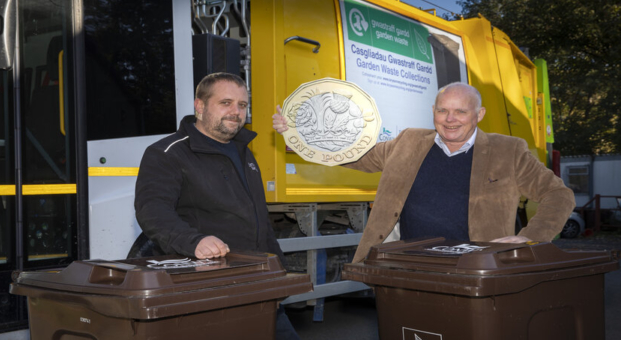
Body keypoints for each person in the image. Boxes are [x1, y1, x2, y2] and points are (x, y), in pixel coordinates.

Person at [273, 82, 575, 263]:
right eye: (442, 110)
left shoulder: (508, 150)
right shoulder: (407, 142)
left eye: (461, 111)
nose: (450, 119)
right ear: (434, 111)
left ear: (478, 114)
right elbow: (353, 154)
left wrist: (531, 237)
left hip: (475, 268)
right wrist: (299, 133)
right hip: (406, 264)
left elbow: (558, 195)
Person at [135, 72, 299, 339]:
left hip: (256, 282)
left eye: (242, 105)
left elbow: (260, 221)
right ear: (199, 106)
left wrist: (277, 271)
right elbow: (152, 210)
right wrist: (194, 240)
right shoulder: (168, 152)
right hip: (207, 287)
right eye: (225, 103)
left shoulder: (245, 153)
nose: (236, 112)